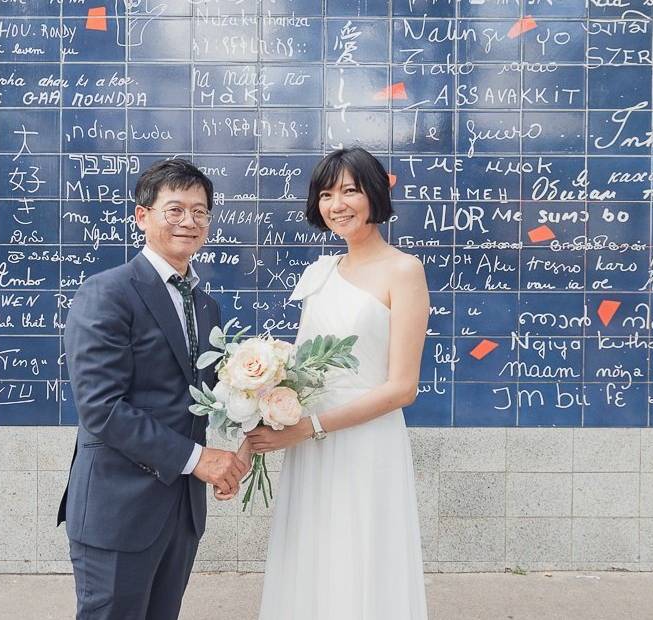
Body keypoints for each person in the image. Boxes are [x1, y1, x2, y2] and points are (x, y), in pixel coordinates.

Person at [57, 158, 250, 620]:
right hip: (118, 508)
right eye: (175, 209)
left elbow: (203, 394)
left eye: (200, 212)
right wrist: (199, 459)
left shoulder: (206, 305)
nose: (190, 222)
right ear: (142, 216)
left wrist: (267, 407)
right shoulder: (108, 292)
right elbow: (101, 408)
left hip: (181, 510)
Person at [245, 147, 431, 619]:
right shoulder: (319, 272)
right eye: (326, 194)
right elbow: (303, 365)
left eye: (349, 190)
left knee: (361, 554)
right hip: (311, 441)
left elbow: (402, 388)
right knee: (313, 553)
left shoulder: (404, 270)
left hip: (365, 441)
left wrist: (311, 427)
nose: (337, 204)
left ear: (373, 194)